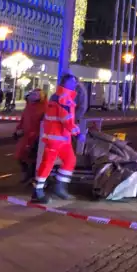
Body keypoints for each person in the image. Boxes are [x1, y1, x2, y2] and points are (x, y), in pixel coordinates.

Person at [32, 74, 80, 203]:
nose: (75, 84)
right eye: (73, 82)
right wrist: (77, 132)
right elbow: (66, 119)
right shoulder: (65, 98)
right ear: (67, 83)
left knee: (69, 160)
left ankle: (59, 188)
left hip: (59, 138)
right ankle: (38, 192)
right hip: (57, 139)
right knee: (48, 164)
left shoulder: (57, 96)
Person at [14, 89, 46, 183]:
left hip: (37, 137)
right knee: (20, 156)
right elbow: (23, 120)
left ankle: (32, 176)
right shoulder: (28, 107)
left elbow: (44, 123)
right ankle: (27, 173)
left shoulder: (45, 108)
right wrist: (17, 130)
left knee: (33, 158)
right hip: (26, 136)